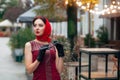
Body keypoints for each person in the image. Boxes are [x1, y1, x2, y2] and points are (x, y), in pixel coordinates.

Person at [24, 16, 64, 80]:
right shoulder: (29, 45)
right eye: (35, 25)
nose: (37, 28)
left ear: (46, 27)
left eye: (40, 25)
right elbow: (29, 71)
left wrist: (61, 55)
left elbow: (59, 70)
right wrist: (39, 59)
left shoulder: (53, 45)